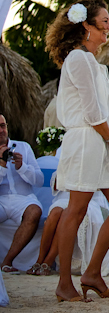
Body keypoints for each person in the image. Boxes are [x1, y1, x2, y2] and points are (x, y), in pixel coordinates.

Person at [45, 0, 109, 302]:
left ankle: (92, 272)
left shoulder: (92, 61)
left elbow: (103, 111)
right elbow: (92, 112)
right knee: (77, 209)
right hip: (86, 140)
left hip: (102, 141)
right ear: (87, 26)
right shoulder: (78, 59)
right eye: (105, 21)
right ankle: (64, 283)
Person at [0, 113, 43, 273]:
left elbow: (39, 180)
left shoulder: (23, 147)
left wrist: (22, 167)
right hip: (1, 200)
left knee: (34, 211)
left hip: (24, 199)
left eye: (3, 126)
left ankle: (7, 261)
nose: (1, 130)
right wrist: (2, 164)